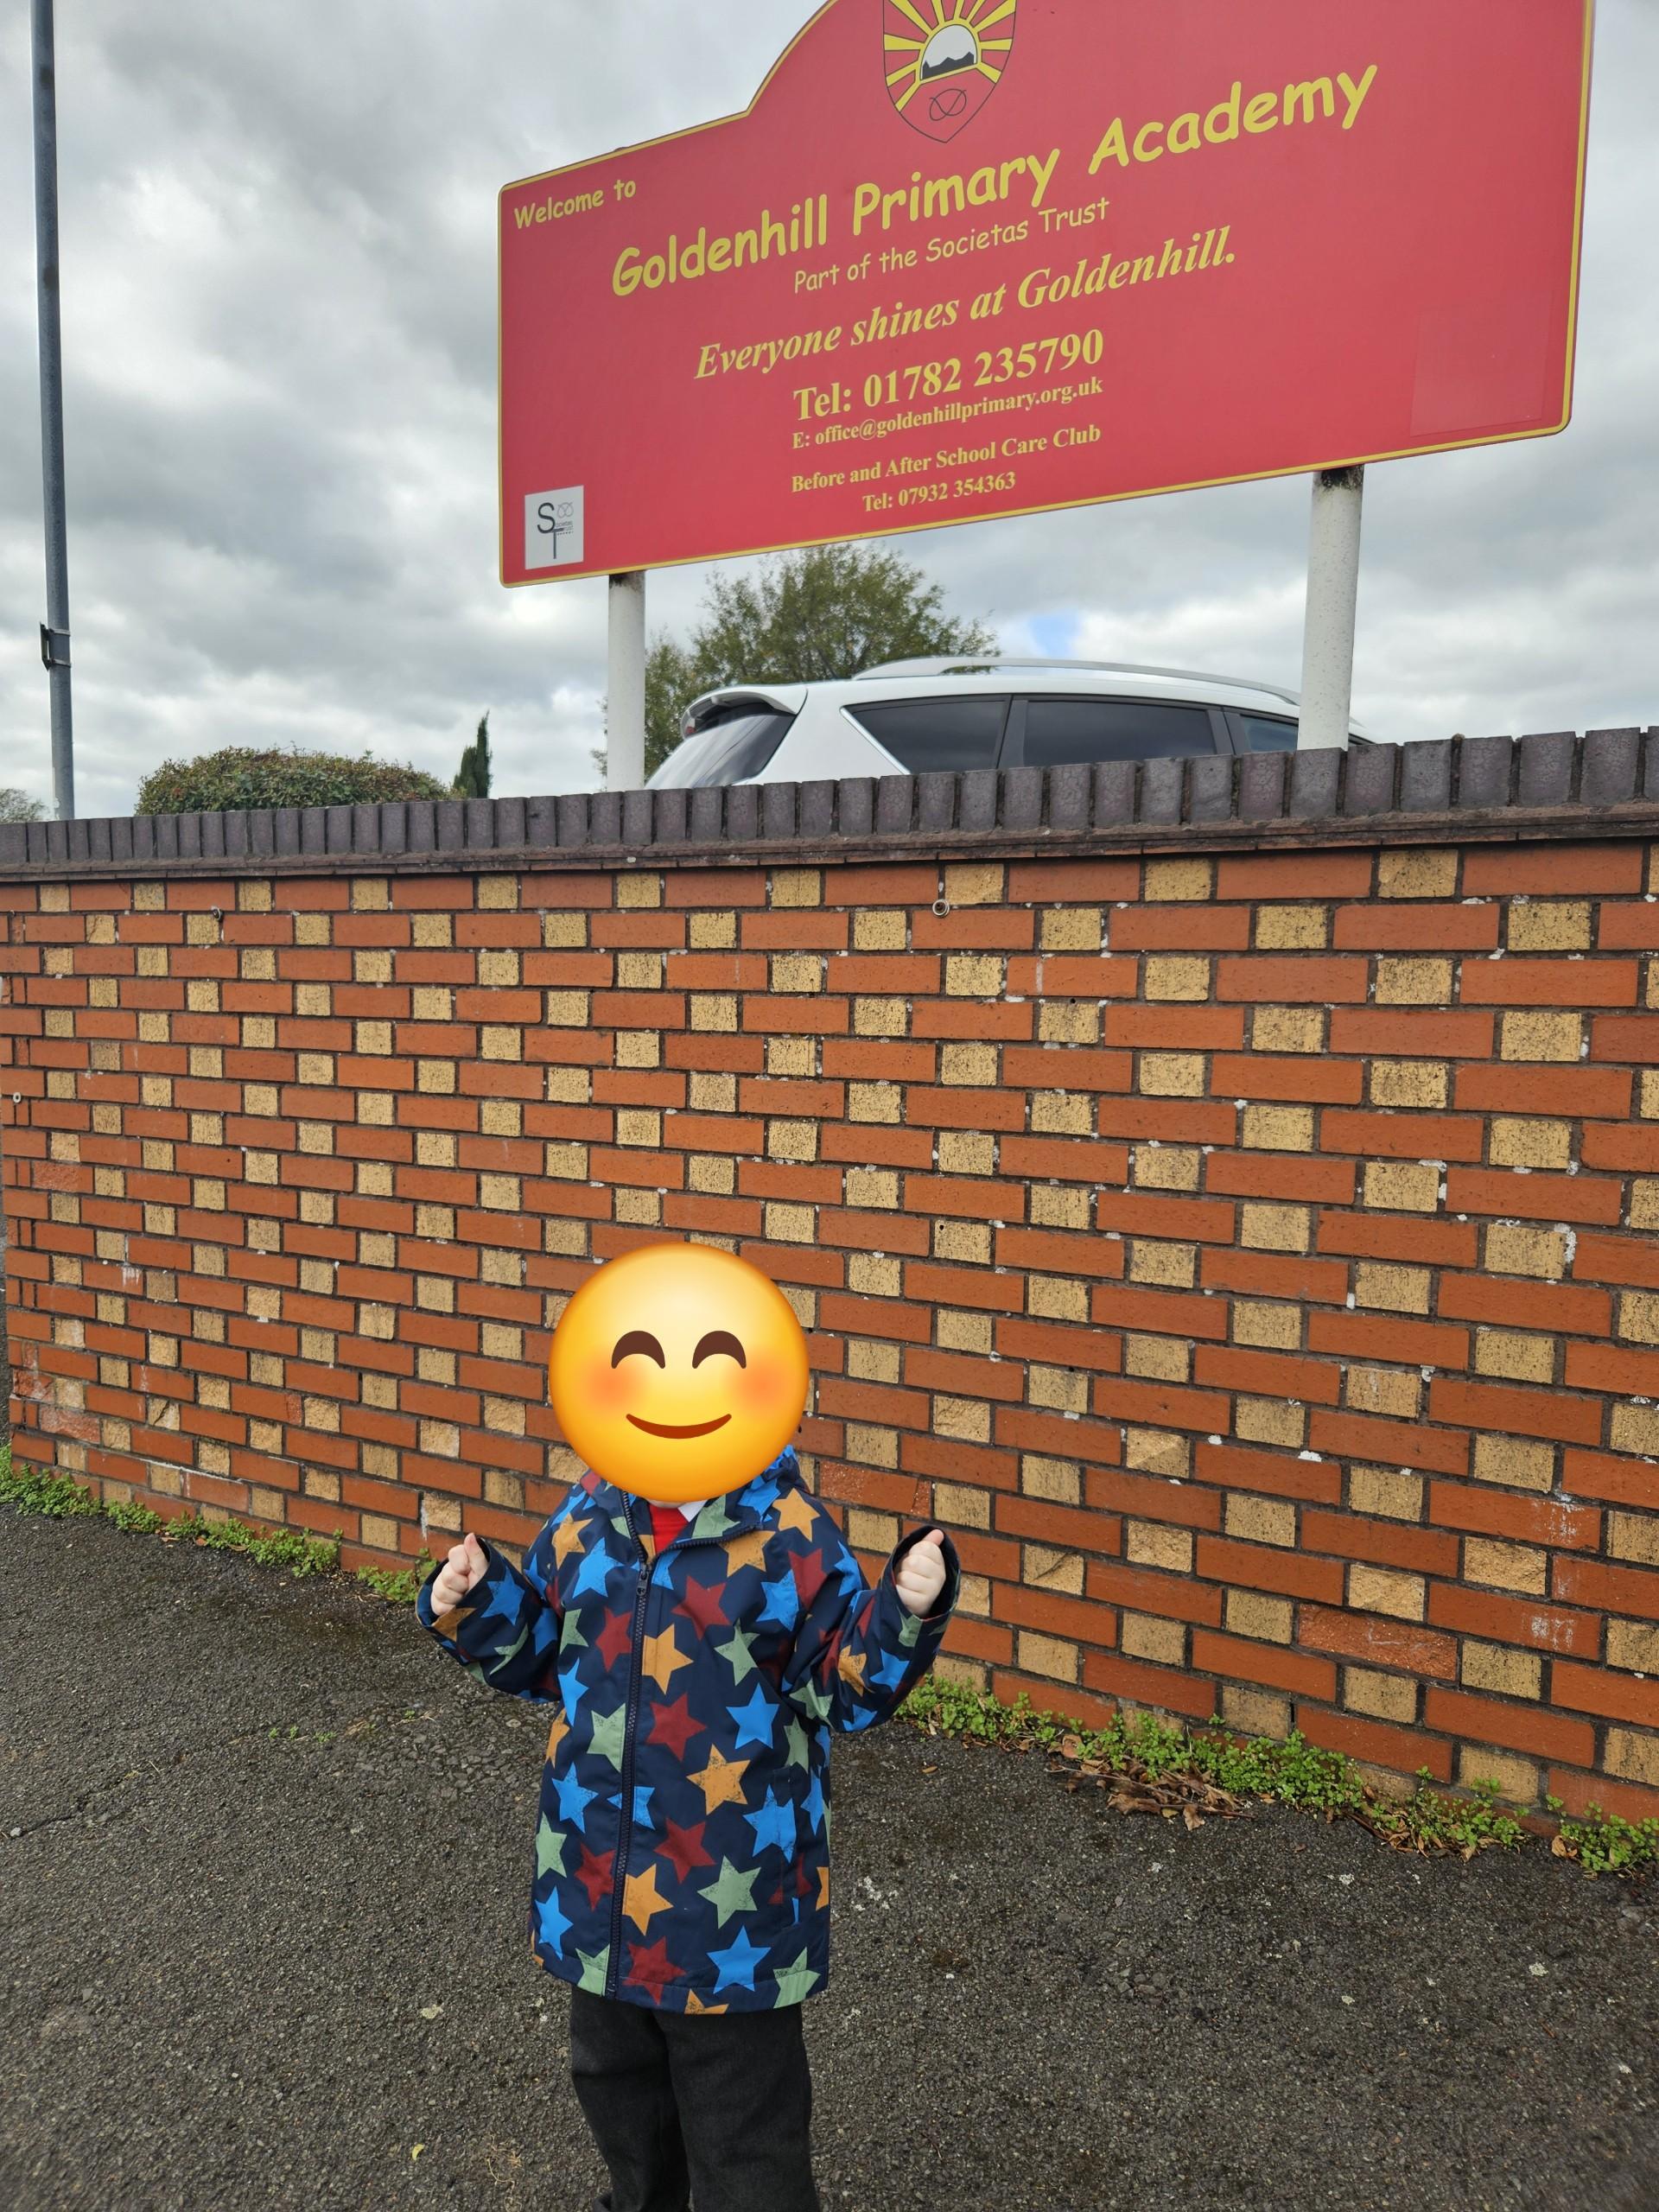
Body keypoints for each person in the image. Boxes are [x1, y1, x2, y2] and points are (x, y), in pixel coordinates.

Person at [418, 1445, 959, 2212]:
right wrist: (477, 1601)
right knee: (617, 2089)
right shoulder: (590, 1512)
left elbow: (843, 1686)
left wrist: (901, 1613)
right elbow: (544, 1653)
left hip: (729, 1913)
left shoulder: (789, 1532)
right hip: (600, 1889)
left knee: (744, 2128)